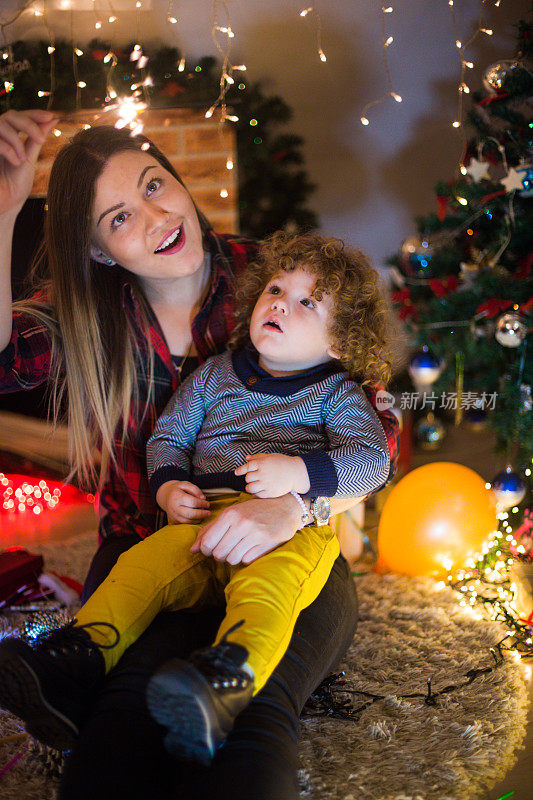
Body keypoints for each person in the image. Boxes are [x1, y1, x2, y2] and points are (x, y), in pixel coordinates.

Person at [0, 109, 399, 800]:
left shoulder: (270, 280)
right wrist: (4, 210)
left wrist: (296, 502)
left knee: (252, 703)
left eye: (155, 185)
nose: (155, 217)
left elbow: (373, 426)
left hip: (288, 535)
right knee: (125, 705)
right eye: (119, 217)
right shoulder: (83, 314)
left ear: (180, 182)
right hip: (155, 544)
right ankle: (79, 679)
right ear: (97, 249)